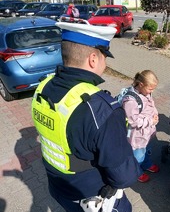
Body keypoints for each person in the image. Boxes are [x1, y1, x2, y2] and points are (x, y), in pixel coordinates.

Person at [31, 22, 142, 212]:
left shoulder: (44, 87)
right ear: (93, 59)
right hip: (93, 200)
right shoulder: (101, 109)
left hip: (59, 190)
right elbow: (124, 177)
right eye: (105, 57)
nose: (105, 64)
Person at [121, 70, 160, 183]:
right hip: (137, 136)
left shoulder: (145, 93)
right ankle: (136, 172)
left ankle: (146, 164)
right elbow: (133, 121)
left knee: (146, 150)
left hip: (146, 133)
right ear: (141, 84)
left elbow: (151, 105)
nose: (151, 91)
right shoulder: (130, 101)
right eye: (150, 89)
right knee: (137, 156)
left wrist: (155, 114)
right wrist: (150, 121)